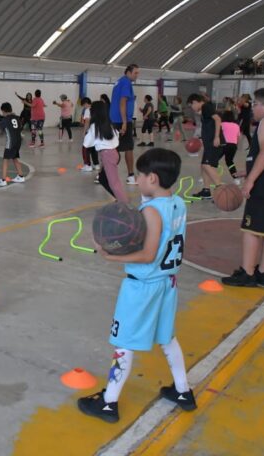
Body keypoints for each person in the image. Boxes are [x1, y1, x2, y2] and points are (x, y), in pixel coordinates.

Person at [78, 148, 193, 423]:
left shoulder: (151, 212)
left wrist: (110, 255)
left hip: (143, 287)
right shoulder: (178, 203)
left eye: (139, 175)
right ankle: (183, 391)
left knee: (123, 344)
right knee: (167, 338)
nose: (136, 179)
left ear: (152, 178)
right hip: (168, 283)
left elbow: (147, 254)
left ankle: (108, 403)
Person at [222, 87, 264, 287]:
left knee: (251, 230)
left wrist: (251, 180)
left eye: (256, 104)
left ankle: (247, 273)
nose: (253, 108)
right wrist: (248, 170)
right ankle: (263, 272)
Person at [92, 101, 129, 204]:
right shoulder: (106, 123)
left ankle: (124, 204)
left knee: (113, 183)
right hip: (110, 154)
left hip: (109, 155)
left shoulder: (99, 125)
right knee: (103, 178)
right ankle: (120, 199)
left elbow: (90, 143)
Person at [187, 94, 224, 199]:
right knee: (203, 165)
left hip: (214, 142)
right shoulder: (205, 109)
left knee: (207, 165)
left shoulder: (206, 107)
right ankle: (206, 190)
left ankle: (221, 190)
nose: (192, 108)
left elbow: (217, 119)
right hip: (209, 143)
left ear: (196, 102)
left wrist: (217, 137)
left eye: (192, 105)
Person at [110, 65, 139, 184]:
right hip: (121, 120)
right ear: (128, 72)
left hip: (115, 120)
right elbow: (122, 103)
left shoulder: (120, 82)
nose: (137, 75)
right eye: (135, 73)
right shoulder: (126, 83)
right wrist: (124, 122)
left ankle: (103, 174)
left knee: (113, 148)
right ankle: (131, 176)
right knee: (128, 148)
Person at [0, 102, 26, 186]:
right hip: (18, 141)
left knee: (5, 160)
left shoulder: (4, 120)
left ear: (3, 111)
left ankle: (3, 180)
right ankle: (20, 176)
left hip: (11, 142)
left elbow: (0, 132)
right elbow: (19, 127)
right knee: (14, 157)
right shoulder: (17, 118)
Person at [220, 110, 241, 185]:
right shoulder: (236, 126)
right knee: (230, 162)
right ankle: (236, 179)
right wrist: (236, 146)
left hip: (223, 145)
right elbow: (238, 137)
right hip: (233, 146)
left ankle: (206, 177)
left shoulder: (221, 124)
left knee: (213, 161)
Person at [80, 97, 99, 172]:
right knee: (93, 147)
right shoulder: (96, 108)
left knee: (85, 147)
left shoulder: (88, 110)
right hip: (97, 131)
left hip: (91, 131)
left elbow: (87, 122)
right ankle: (96, 164)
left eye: (83, 105)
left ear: (85, 103)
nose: (84, 107)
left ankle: (87, 165)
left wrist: (84, 132)